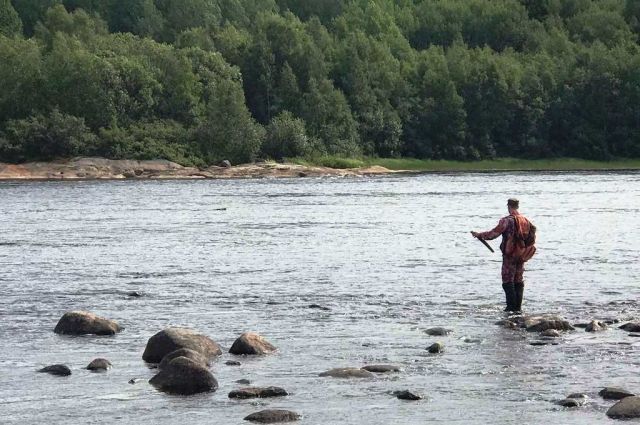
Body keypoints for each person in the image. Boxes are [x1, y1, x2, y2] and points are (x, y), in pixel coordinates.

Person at [471, 198, 536, 313]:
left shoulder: (506, 221)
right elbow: (532, 236)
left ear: (508, 206)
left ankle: (510, 308)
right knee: (518, 279)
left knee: (507, 279)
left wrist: (479, 235)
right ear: (517, 206)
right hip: (522, 254)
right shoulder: (526, 220)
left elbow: (492, 234)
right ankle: (518, 308)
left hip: (509, 254)